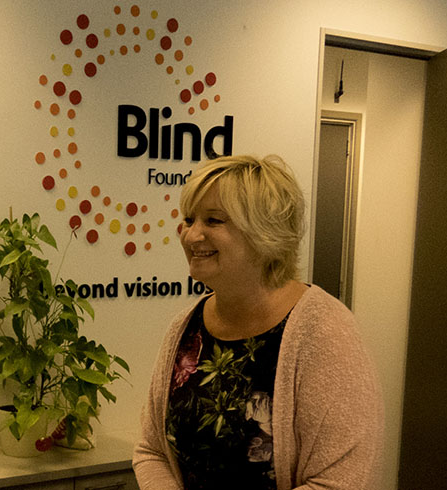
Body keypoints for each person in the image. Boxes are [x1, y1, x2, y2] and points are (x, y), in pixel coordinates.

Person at [132, 155, 381, 489]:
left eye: (213, 221)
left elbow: (339, 480)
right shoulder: (186, 327)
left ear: (265, 234)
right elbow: (151, 450)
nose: (191, 236)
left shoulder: (325, 331)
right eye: (189, 220)